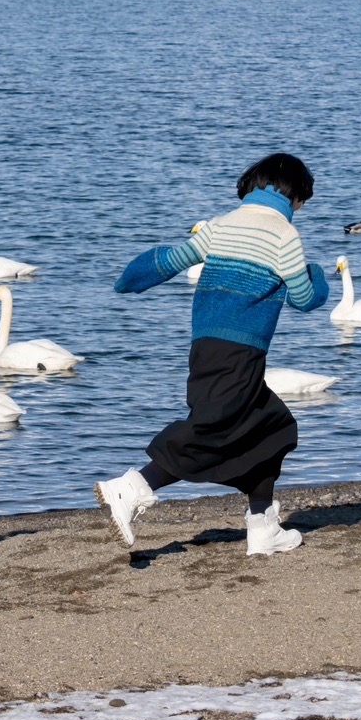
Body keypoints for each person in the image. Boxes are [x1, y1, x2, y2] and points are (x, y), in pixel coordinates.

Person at [94, 152, 328, 555]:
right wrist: (318, 274)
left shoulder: (222, 224)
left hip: (205, 346)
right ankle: (132, 487)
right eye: (302, 202)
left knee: (272, 428)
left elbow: (170, 261)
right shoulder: (284, 235)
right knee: (212, 428)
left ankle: (262, 526)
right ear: (295, 198)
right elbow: (305, 299)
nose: (300, 209)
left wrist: (129, 280)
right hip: (242, 350)